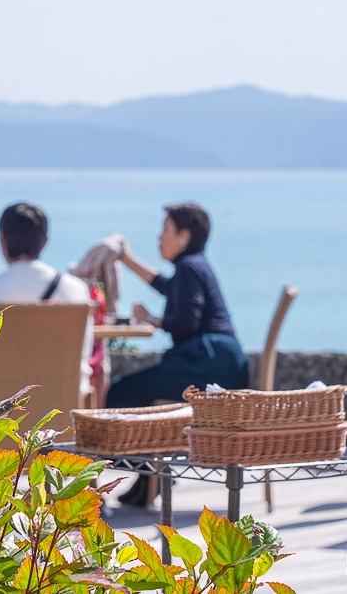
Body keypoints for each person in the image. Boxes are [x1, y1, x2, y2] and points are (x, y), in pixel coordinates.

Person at [108, 202, 248, 505]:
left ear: (183, 235)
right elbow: (166, 287)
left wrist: (152, 320)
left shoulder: (188, 267)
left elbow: (186, 321)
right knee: (135, 392)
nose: (159, 237)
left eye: (165, 230)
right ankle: (148, 477)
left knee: (120, 392)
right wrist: (128, 260)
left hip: (208, 363)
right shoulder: (194, 265)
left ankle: (147, 473)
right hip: (220, 360)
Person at [0, 202, 94, 390]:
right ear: (45, 242)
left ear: (2, 240)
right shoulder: (76, 290)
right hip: (62, 399)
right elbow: (85, 352)